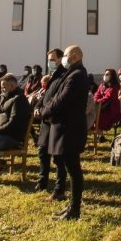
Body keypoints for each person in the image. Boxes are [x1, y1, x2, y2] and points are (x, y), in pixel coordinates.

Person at [44, 45, 89, 220]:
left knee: (74, 170)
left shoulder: (78, 75)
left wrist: (46, 111)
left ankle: (75, 209)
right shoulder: (71, 73)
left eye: (67, 56)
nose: (64, 58)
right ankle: (71, 206)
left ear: (76, 56)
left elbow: (62, 100)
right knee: (70, 167)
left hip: (71, 129)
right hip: (64, 126)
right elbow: (55, 95)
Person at [32, 48, 67, 197]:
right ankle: (42, 180)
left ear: (60, 59)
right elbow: (45, 95)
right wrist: (38, 107)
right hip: (45, 120)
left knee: (58, 156)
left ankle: (60, 187)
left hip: (55, 119)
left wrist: (45, 110)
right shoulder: (52, 75)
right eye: (49, 60)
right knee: (42, 151)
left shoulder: (64, 75)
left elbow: (58, 99)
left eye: (53, 59)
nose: (50, 62)